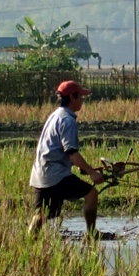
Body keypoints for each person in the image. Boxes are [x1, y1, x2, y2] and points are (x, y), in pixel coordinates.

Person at [27, 79, 110, 233]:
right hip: (55, 173)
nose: (83, 100)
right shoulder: (67, 120)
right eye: (81, 96)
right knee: (92, 194)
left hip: (40, 172)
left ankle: (29, 240)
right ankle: (92, 234)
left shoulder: (56, 115)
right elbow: (71, 152)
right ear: (72, 97)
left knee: (41, 214)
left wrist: (84, 168)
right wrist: (92, 173)